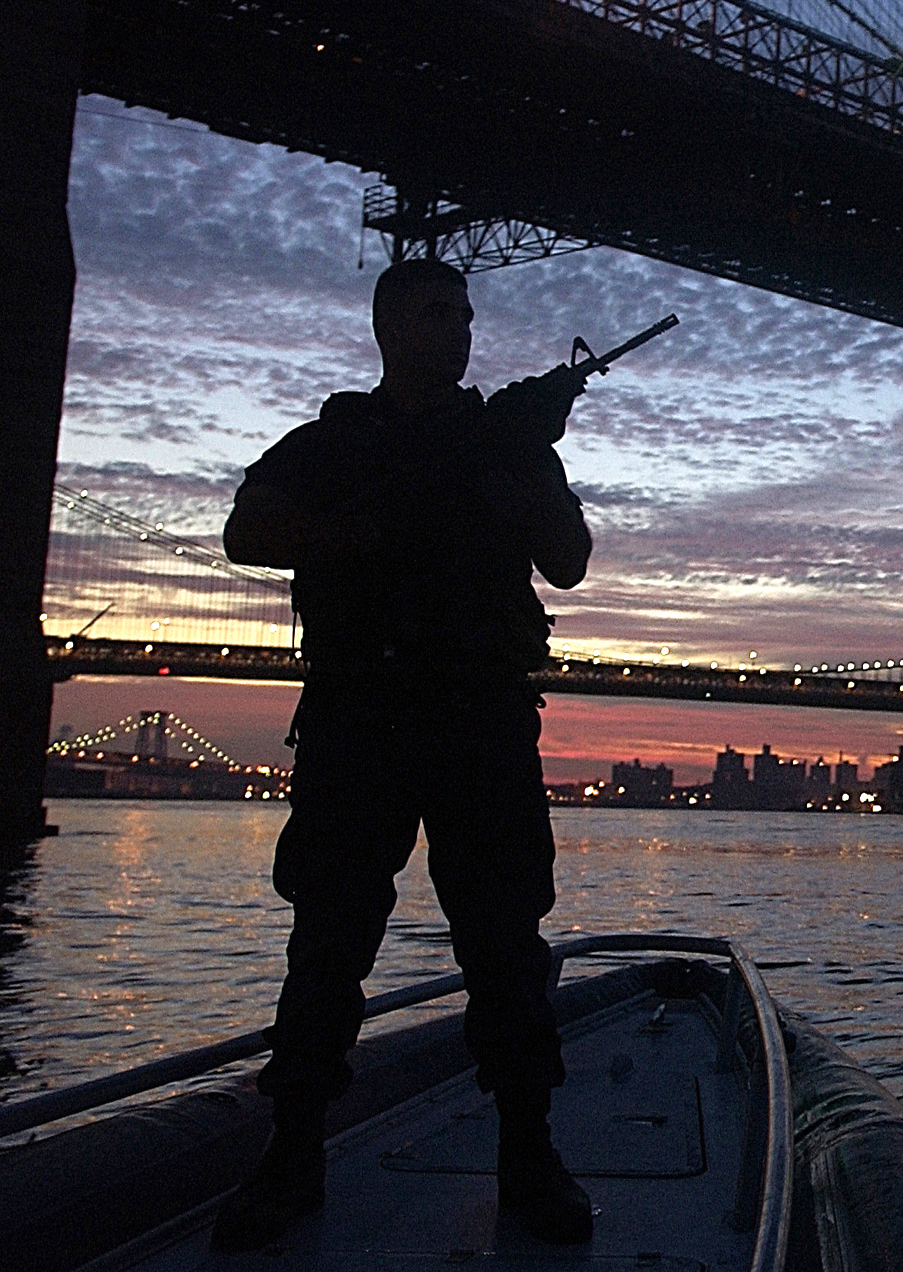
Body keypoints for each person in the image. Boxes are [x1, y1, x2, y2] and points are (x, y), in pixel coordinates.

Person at [212, 257, 595, 1249]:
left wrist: (514, 477)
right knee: (328, 943)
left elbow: (570, 560)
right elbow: (245, 531)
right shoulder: (336, 441)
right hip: (360, 714)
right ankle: (292, 1152)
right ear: (387, 326)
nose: (460, 328)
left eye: (467, 313)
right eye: (437, 312)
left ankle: (529, 1153)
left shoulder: (506, 441)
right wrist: (347, 530)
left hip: (481, 718)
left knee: (506, 943)